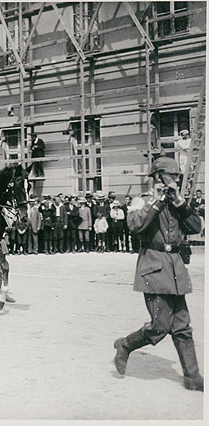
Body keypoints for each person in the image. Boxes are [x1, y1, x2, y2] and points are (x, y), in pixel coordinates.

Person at [114, 155, 203, 392]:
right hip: (153, 268)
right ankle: (125, 345)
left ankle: (193, 378)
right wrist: (157, 201)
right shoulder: (140, 201)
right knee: (160, 325)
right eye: (172, 175)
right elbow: (135, 226)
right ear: (158, 176)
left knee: (183, 327)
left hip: (175, 269)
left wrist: (181, 204)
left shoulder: (176, 202)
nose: (176, 180)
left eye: (177, 176)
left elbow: (196, 227)